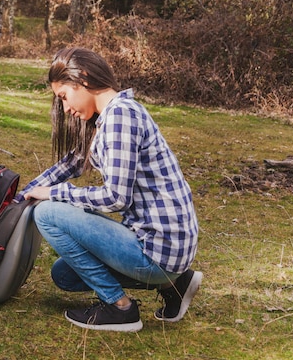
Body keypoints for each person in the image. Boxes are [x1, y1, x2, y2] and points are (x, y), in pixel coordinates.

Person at [16, 47, 202, 332]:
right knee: (64, 276)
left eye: (64, 96)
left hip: (158, 250)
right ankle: (176, 283)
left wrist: (53, 194)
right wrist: (22, 196)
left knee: (47, 214)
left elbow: (115, 197)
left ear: (84, 79)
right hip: (165, 249)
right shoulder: (110, 117)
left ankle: (120, 309)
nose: (65, 108)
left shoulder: (120, 118)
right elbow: (72, 163)